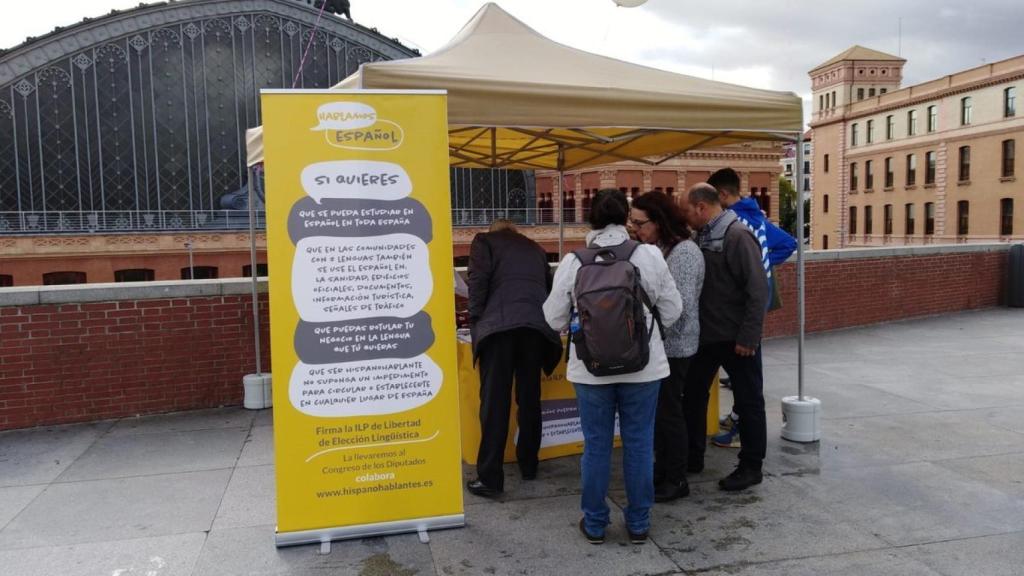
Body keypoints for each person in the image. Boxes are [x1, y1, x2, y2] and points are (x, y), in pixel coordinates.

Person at [544, 189, 681, 545]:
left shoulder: (574, 261)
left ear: (590, 219)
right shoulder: (648, 255)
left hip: (590, 370)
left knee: (597, 446)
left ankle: (594, 523)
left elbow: (553, 317)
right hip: (644, 369)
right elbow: (673, 310)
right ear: (626, 219)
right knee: (638, 443)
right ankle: (638, 523)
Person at [682, 183, 769, 492]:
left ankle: (751, 467)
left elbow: (758, 290)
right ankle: (692, 456)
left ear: (701, 208)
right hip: (707, 337)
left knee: (748, 402)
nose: (686, 217)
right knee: (691, 397)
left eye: (687, 211)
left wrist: (748, 337)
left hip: (737, 340)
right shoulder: (702, 236)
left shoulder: (737, 236)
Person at [466, 219, 563, 498]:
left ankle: (490, 478)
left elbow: (478, 282)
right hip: (534, 328)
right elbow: (549, 289)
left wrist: (476, 319)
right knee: (529, 397)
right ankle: (529, 464)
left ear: (495, 232)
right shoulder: (534, 248)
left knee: (495, 403)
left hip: (499, 330)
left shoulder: (484, 242)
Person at [706, 168, 797, 449]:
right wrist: (763, 263)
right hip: (754, 304)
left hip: (741, 308)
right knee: (746, 376)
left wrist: (755, 264)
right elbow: (787, 243)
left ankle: (740, 430)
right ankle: (738, 421)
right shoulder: (756, 216)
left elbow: (786, 245)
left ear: (722, 195)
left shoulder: (736, 221)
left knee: (746, 378)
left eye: (712, 200)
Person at [628, 191, 703, 503]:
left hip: (675, 346)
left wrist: (649, 336)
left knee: (670, 413)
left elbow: (680, 309)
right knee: (661, 414)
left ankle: (676, 478)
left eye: (639, 223)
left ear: (659, 222)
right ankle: (665, 468)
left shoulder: (683, 252)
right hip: (662, 344)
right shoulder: (659, 248)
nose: (633, 228)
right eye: (630, 221)